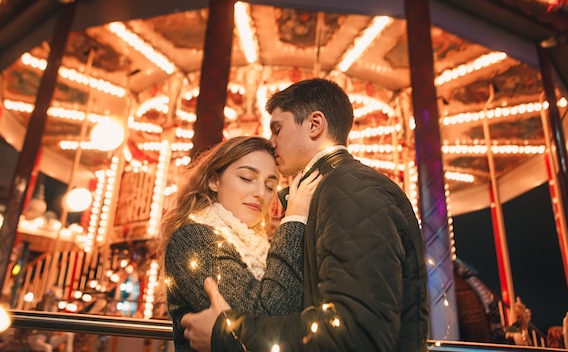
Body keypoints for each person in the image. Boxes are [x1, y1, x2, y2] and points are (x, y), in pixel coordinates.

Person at [181, 78, 429, 352]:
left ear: (314, 124)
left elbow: (356, 334)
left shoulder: (350, 189)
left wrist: (227, 333)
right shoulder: (335, 189)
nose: (271, 141)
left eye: (277, 129)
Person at [158, 135, 321, 352]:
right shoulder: (193, 239)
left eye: (270, 186)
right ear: (214, 180)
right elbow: (267, 320)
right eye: (246, 178)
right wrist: (294, 221)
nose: (260, 193)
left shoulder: (264, 246)